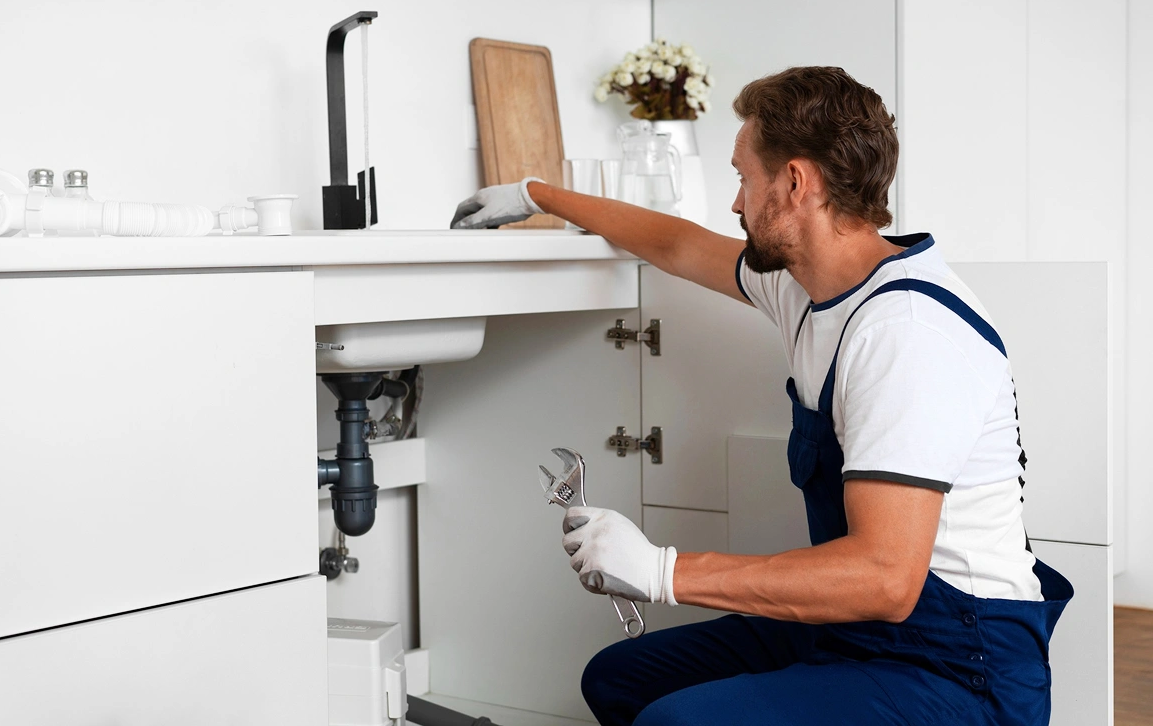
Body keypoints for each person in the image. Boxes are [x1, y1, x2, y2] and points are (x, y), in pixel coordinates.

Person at [450, 66, 1073, 726]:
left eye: (743, 177)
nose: (736, 204)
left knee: (674, 722)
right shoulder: (806, 286)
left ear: (797, 182)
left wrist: (662, 571)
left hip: (956, 665)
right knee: (619, 680)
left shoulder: (905, 333)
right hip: (859, 630)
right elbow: (677, 243)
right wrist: (536, 195)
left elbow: (887, 578)